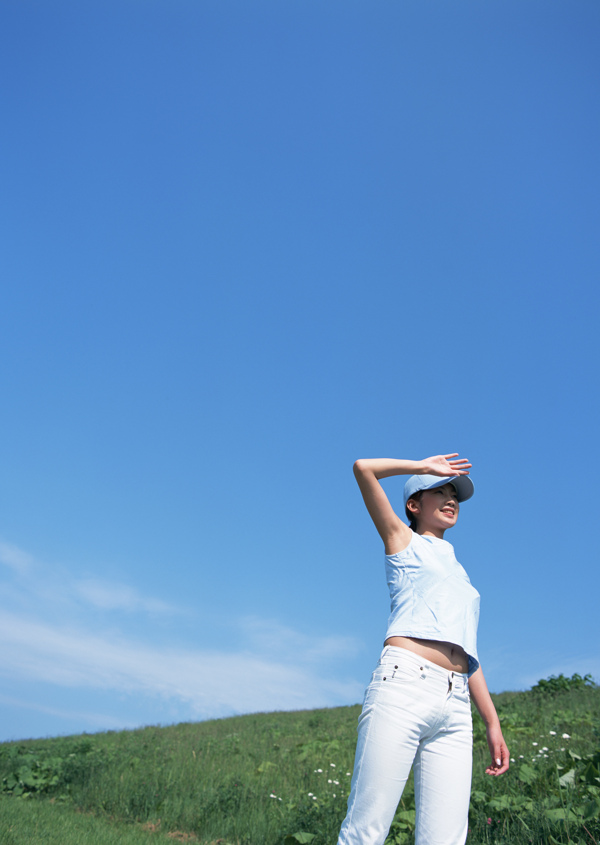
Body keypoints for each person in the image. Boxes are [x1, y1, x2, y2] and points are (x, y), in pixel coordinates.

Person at [337, 453, 509, 845]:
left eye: (455, 495)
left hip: (455, 705)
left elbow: (468, 652)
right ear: (414, 505)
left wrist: (491, 722)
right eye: (439, 492)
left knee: (446, 840)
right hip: (404, 687)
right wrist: (423, 466)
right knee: (367, 829)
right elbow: (363, 469)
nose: (451, 499)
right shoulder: (403, 541)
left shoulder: (462, 576)